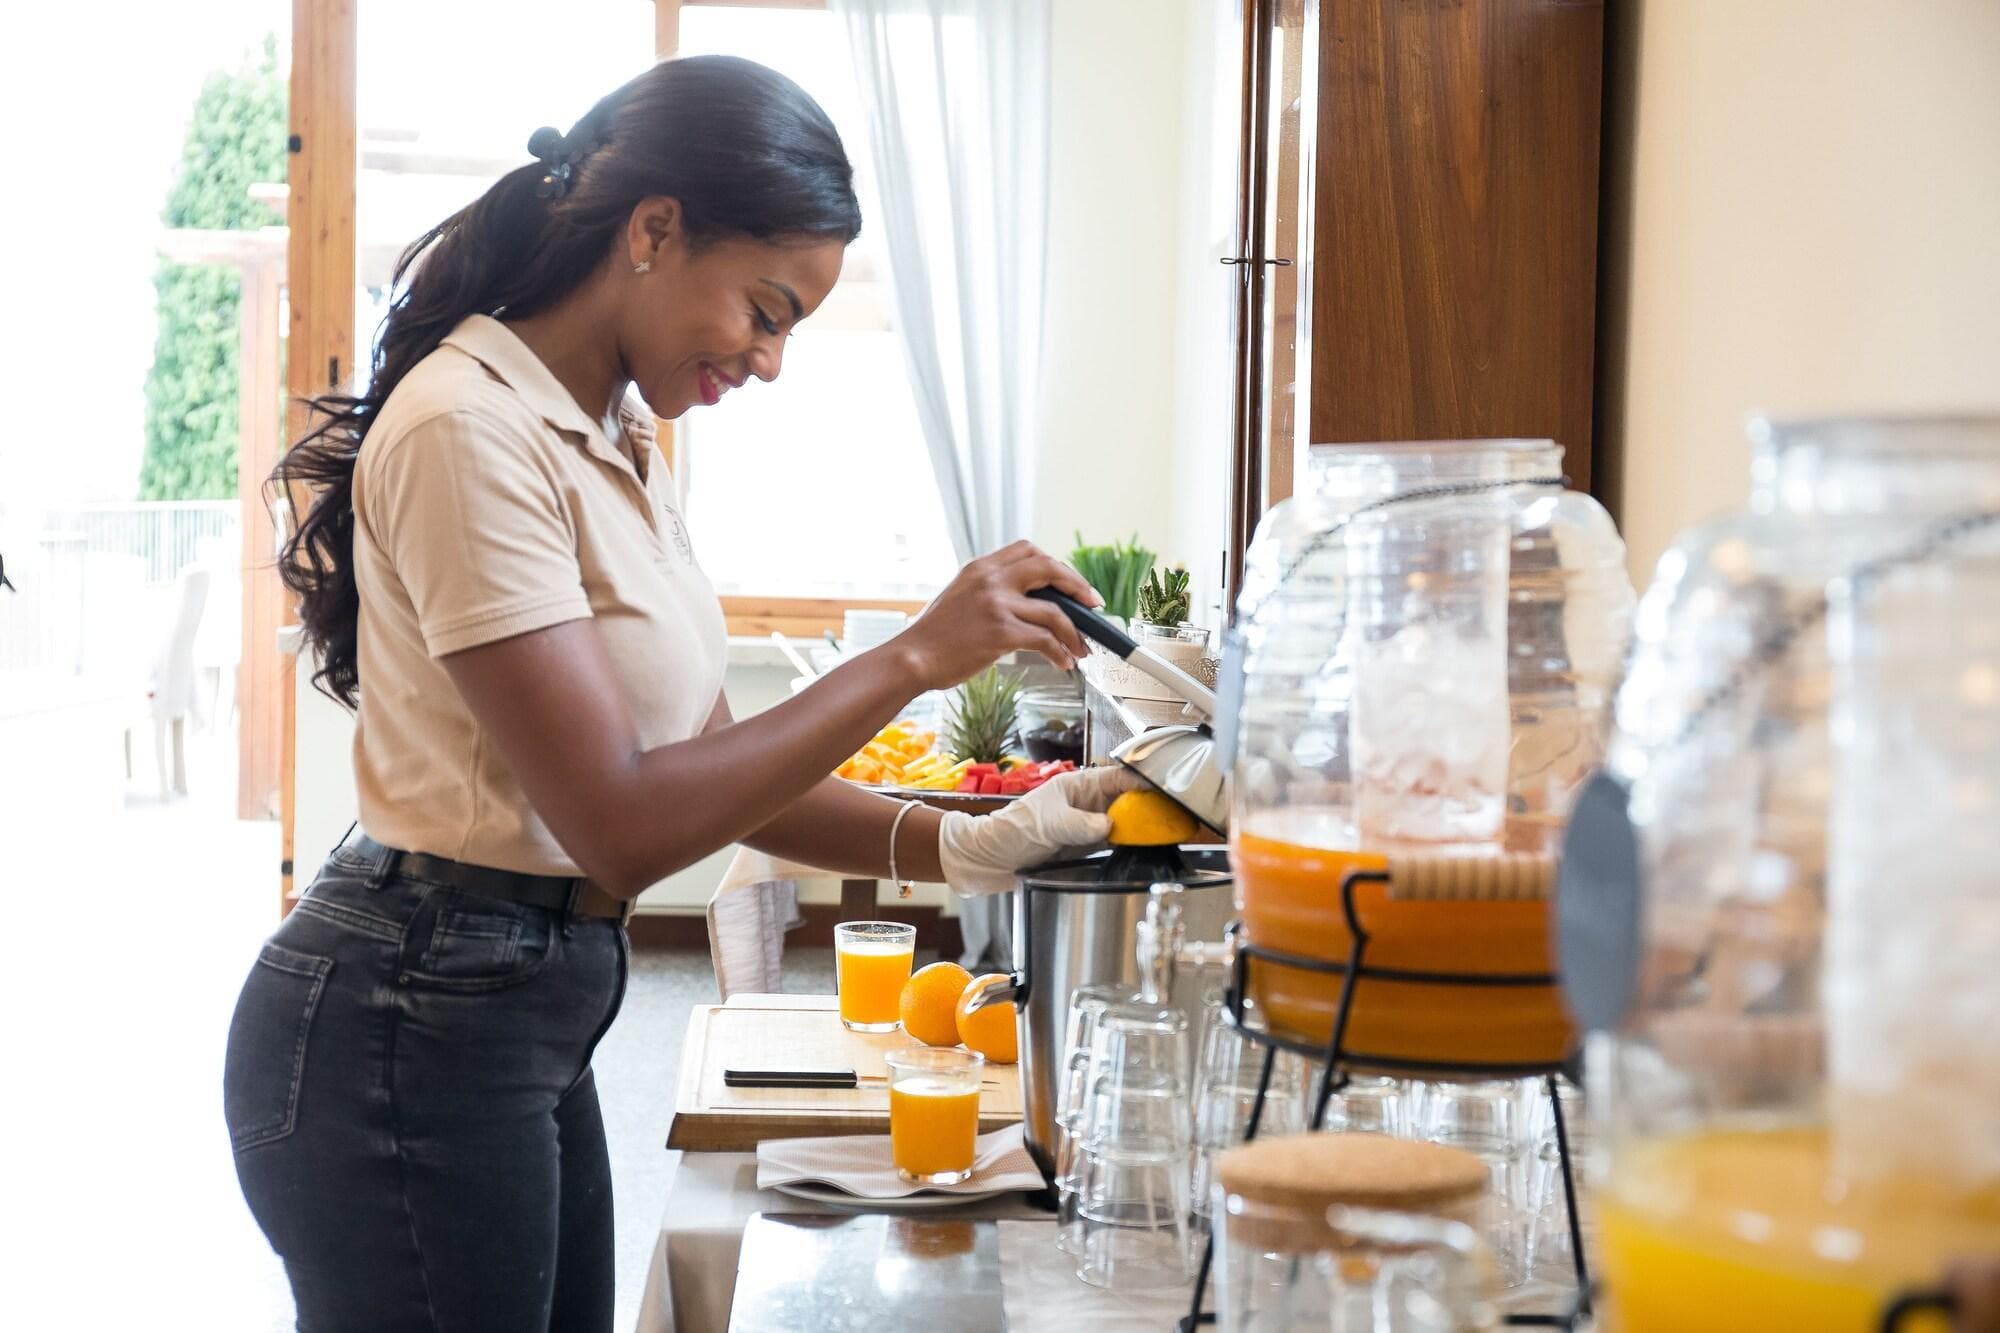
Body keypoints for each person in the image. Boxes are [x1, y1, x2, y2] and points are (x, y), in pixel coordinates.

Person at [223, 54, 1127, 1332]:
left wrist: (969, 844)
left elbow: (720, 770)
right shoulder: (466, 429)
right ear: (654, 231)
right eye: (763, 311)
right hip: (407, 1021)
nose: (765, 361)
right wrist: (916, 654)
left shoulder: (614, 437)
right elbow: (625, 821)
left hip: (512, 1005)